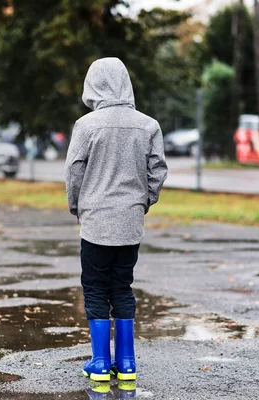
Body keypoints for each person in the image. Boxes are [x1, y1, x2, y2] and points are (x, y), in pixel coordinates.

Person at [65, 57, 168, 382]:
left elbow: (74, 172)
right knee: (122, 287)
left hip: (96, 221)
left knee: (95, 289)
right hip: (130, 222)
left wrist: (77, 206)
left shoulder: (87, 126)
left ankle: (99, 363)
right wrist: (143, 202)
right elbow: (158, 171)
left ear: (92, 85)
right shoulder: (148, 125)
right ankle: (126, 363)